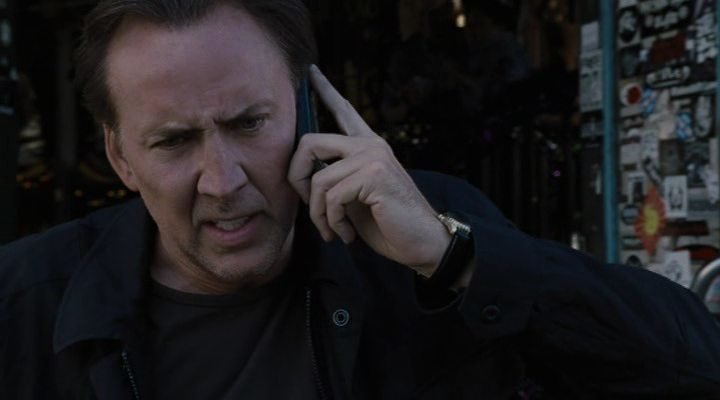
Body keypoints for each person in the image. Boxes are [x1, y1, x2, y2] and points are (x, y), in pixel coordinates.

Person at [1, 0, 719, 398]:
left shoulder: (427, 232)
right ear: (120, 157)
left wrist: (455, 260)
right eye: (173, 141)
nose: (222, 180)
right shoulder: (25, 302)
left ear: (309, 111)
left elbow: (690, 367)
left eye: (249, 124)